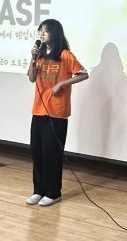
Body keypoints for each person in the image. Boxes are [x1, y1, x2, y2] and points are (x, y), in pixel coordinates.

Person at [26, 19, 88, 207]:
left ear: (55, 33)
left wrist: (62, 83)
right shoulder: (39, 54)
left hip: (57, 112)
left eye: (45, 31)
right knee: (37, 152)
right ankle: (38, 190)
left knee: (52, 153)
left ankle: (53, 192)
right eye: (40, 31)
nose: (41, 34)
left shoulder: (65, 55)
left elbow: (84, 74)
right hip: (39, 110)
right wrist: (32, 57)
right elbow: (31, 78)